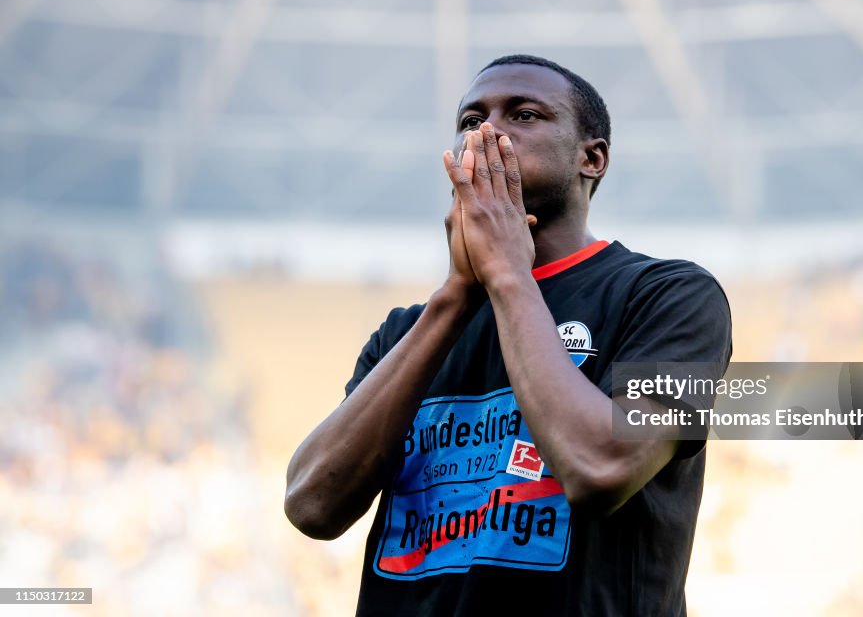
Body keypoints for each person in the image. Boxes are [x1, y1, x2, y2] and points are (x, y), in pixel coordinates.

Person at [284, 54, 732, 616]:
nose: (488, 132)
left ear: (591, 159)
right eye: (471, 121)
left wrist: (508, 276)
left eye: (524, 115)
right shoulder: (405, 332)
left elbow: (600, 469)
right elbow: (311, 505)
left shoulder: (670, 297)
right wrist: (455, 297)